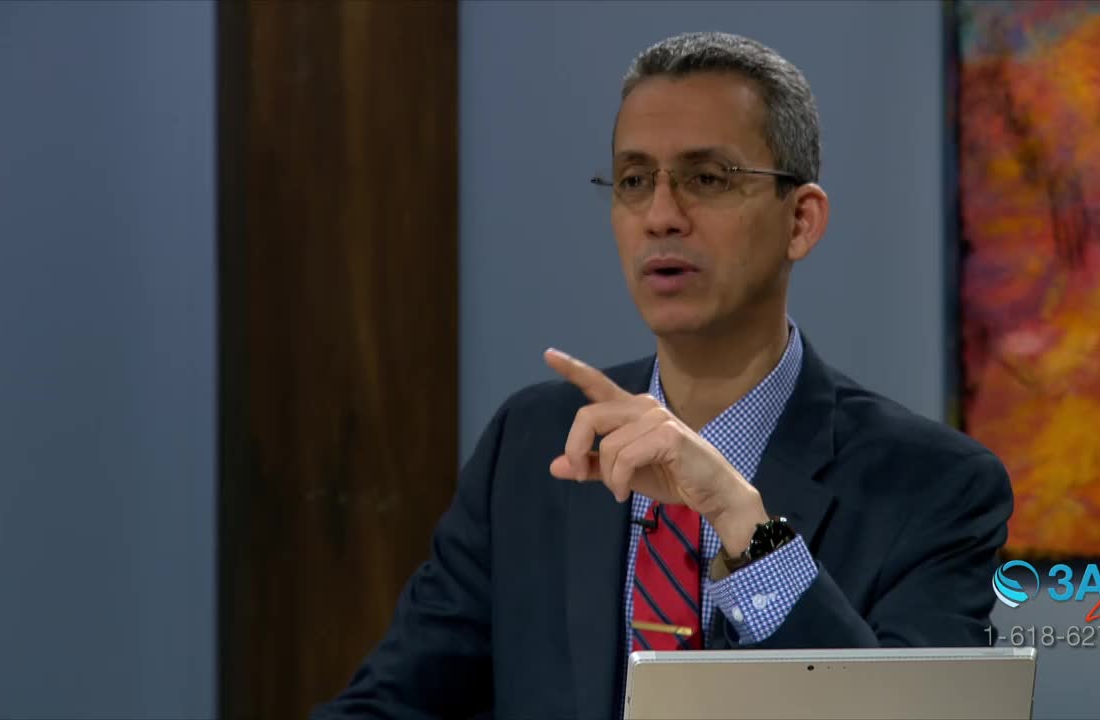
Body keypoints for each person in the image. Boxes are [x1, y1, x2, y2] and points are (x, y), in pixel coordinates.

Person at [312, 31, 1012, 720]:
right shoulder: (532, 448)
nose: (661, 216)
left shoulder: (935, 486)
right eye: (634, 180)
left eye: (708, 179)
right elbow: (390, 704)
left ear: (800, 221)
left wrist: (745, 525)